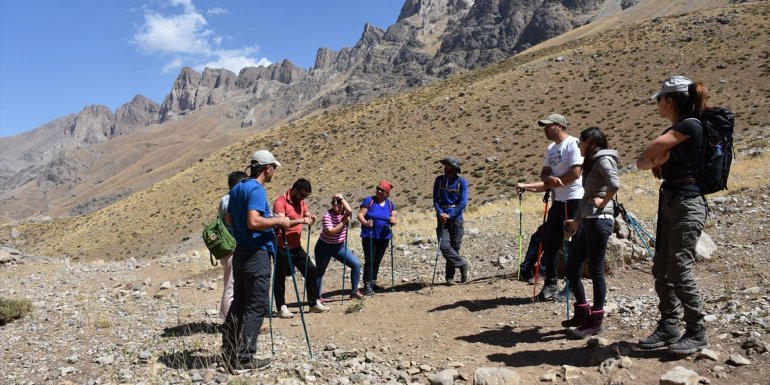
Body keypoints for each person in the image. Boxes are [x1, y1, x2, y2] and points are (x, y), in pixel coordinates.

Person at [635, 76, 710, 354]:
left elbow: (647, 153)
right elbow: (642, 163)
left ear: (670, 100)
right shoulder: (678, 129)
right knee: (661, 266)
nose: (657, 104)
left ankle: (696, 331)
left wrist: (656, 157)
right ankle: (669, 325)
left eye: (659, 99)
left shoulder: (689, 125)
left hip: (686, 203)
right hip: (672, 201)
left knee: (679, 267)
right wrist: (656, 158)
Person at [221, 150, 290, 371]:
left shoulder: (237, 188)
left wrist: (247, 227)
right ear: (267, 168)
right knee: (256, 305)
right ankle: (244, 358)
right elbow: (254, 221)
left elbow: (229, 219)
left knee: (239, 303)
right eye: (273, 168)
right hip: (256, 254)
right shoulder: (257, 189)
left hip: (240, 251)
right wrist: (278, 221)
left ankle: (229, 350)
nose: (274, 172)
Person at [516, 113, 584, 301]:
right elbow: (544, 173)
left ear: (559, 126)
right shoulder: (551, 148)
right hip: (558, 201)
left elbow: (576, 172)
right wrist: (549, 179)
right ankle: (551, 284)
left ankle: (573, 286)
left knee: (572, 245)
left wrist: (555, 181)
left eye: (548, 126)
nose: (545, 130)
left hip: (573, 199)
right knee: (550, 243)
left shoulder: (573, 144)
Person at [561, 127, 619, 338]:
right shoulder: (592, 162)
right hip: (588, 221)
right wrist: (577, 221)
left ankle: (595, 320)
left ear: (590, 142)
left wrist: (603, 203)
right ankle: (583, 312)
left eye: (581, 141)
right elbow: (587, 196)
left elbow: (614, 184)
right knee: (571, 268)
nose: (579, 145)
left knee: (595, 270)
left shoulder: (603, 160)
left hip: (599, 220)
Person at [272, 178, 329, 317]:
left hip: (296, 246)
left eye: (306, 196)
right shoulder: (280, 202)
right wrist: (302, 220)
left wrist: (310, 216)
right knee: (280, 277)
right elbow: (282, 222)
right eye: (302, 195)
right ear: (295, 190)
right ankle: (281, 307)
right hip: (282, 246)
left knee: (311, 270)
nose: (303, 198)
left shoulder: (300, 201)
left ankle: (313, 303)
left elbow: (306, 213)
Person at [314, 193, 364, 299]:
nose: (336, 204)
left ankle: (354, 291)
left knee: (356, 264)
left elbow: (350, 210)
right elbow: (331, 232)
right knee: (320, 272)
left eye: (339, 202)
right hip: (324, 247)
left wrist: (341, 197)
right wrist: (343, 222)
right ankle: (317, 297)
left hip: (339, 247)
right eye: (333, 202)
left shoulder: (345, 213)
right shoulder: (327, 216)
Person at [433, 156, 469, 285]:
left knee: (455, 247)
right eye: (445, 165)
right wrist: (440, 212)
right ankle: (463, 264)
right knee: (444, 246)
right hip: (442, 217)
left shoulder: (461, 181)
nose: (445, 167)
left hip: (457, 218)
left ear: (454, 167)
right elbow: (435, 199)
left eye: (448, 165)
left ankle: (450, 277)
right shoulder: (439, 180)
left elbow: (463, 202)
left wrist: (451, 215)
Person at [357, 180, 397, 295]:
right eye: (378, 189)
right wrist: (366, 223)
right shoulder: (369, 201)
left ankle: (373, 282)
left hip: (384, 236)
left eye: (382, 190)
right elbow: (360, 215)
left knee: (377, 260)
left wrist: (393, 220)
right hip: (370, 235)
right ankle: (367, 285)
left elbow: (394, 216)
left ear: (386, 193)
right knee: (370, 260)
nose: (379, 191)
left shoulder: (389, 204)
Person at [218, 171, 247, 319]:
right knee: (230, 285)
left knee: (232, 284)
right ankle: (227, 321)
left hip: (228, 247)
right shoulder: (231, 200)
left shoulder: (225, 199)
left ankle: (233, 320)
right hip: (232, 247)